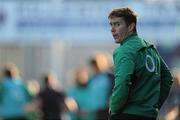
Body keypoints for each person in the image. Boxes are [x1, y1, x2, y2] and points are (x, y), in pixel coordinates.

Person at [108, 7, 173, 120]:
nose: (112, 29)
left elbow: (123, 81)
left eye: (117, 24)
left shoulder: (124, 50)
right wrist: (154, 106)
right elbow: (167, 78)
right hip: (148, 115)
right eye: (111, 24)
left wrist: (114, 108)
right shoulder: (151, 49)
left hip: (126, 114)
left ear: (131, 27)